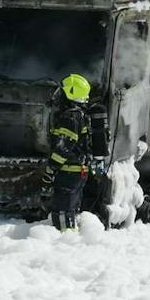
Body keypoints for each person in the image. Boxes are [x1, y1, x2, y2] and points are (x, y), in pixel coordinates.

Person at [44, 73, 94, 231]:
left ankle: (66, 242)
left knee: (62, 211)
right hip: (76, 171)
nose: (57, 95)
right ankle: (70, 239)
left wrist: (50, 169)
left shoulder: (70, 118)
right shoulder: (79, 116)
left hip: (68, 172)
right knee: (69, 210)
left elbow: (64, 147)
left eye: (61, 91)